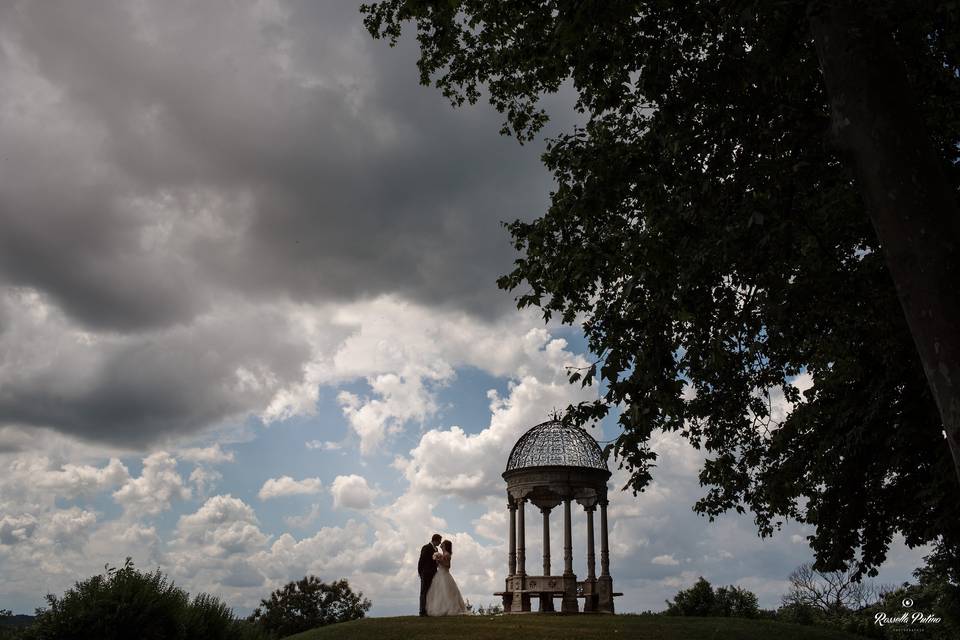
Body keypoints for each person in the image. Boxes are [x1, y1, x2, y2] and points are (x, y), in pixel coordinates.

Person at [424, 539, 467, 616]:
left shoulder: (446, 554)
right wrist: (438, 561)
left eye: (442, 543)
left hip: (444, 575)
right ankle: (442, 609)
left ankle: (449, 609)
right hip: (439, 574)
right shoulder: (443, 553)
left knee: (447, 593)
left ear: (445, 545)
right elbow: (441, 564)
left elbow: (448, 566)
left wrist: (439, 560)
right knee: (440, 593)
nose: (441, 544)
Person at [418, 533, 442, 616]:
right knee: (424, 592)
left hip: (434, 573)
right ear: (435, 540)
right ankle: (422, 611)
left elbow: (435, 563)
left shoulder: (436, 550)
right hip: (426, 573)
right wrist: (420, 572)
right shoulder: (426, 547)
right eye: (439, 541)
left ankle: (429, 610)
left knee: (431, 592)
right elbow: (421, 560)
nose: (440, 543)